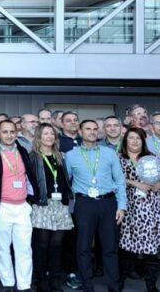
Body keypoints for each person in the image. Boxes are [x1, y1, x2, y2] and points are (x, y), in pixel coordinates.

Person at [65, 119, 127, 292]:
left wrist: (121, 206)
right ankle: (87, 285)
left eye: (94, 129)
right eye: (88, 129)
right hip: (84, 204)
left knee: (110, 247)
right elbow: (67, 183)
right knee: (83, 247)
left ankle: (113, 286)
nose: (92, 132)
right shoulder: (71, 156)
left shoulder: (109, 153)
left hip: (109, 203)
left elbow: (120, 181)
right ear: (80, 131)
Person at [0, 120, 37, 292]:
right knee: (2, 248)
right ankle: (7, 283)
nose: (8, 135)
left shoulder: (22, 151)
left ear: (16, 133)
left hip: (22, 206)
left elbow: (29, 176)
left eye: (12, 132)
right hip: (1, 207)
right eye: (4, 132)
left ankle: (24, 285)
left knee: (24, 248)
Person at [117, 128, 160, 292]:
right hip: (131, 208)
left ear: (143, 141)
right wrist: (135, 183)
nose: (134, 141)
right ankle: (119, 283)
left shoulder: (153, 158)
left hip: (153, 208)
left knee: (152, 251)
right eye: (131, 138)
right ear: (125, 140)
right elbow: (113, 179)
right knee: (128, 250)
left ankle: (151, 285)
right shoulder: (118, 159)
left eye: (138, 138)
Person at [27, 124, 73, 292]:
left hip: (60, 205)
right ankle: (41, 281)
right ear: (38, 137)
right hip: (42, 205)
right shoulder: (33, 157)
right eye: (45, 133)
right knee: (42, 245)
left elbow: (64, 179)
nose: (49, 136)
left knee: (56, 245)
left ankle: (55, 279)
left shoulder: (60, 156)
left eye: (52, 133)